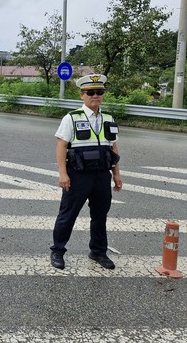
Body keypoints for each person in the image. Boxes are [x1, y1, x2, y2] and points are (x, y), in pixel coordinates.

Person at [50, 73, 122, 270]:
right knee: (68, 214)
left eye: (99, 92)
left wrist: (116, 174)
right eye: (90, 92)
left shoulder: (108, 118)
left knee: (100, 216)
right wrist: (63, 174)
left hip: (101, 175)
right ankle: (57, 251)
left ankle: (98, 252)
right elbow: (61, 146)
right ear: (82, 95)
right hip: (78, 175)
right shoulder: (71, 118)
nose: (95, 96)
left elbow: (113, 148)